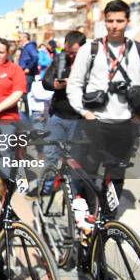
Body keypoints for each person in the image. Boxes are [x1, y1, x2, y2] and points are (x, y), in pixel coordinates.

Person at [67, 0, 140, 217]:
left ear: (128, 21)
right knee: (89, 173)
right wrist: (84, 112)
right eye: (110, 21)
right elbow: (75, 83)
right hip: (95, 121)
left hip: (125, 123)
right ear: (105, 21)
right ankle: (86, 218)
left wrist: (136, 116)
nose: (114, 25)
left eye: (119, 21)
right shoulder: (90, 48)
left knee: (117, 173)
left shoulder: (139, 50)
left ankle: (107, 218)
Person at [37, 30, 86, 194]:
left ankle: (75, 194)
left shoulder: (90, 63)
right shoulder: (60, 58)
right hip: (58, 115)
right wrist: (55, 85)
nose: (70, 56)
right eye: (68, 52)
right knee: (50, 154)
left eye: (74, 53)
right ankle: (46, 188)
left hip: (80, 118)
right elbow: (46, 81)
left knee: (75, 159)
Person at [18, 32, 39, 114]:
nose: (19, 39)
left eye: (20, 37)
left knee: (26, 94)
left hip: (28, 74)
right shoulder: (26, 47)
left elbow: (35, 57)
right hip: (25, 73)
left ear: (25, 38)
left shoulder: (30, 46)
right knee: (25, 94)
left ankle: (28, 113)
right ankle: (27, 112)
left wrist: (28, 68)